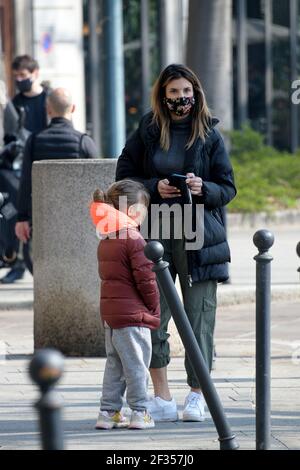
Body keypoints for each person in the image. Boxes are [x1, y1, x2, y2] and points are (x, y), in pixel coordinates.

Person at [116, 64, 237, 422]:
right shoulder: (149, 131)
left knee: (199, 316)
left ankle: (198, 395)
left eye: (186, 92)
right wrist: (155, 187)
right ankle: (162, 396)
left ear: (195, 92)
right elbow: (124, 176)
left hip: (199, 234)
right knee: (154, 314)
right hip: (158, 231)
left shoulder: (210, 134)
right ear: (163, 96)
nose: (181, 98)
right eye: (174, 93)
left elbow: (227, 187)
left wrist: (204, 189)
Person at [90, 180, 160, 430]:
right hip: (133, 316)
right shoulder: (135, 239)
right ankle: (140, 412)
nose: (145, 214)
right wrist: (154, 307)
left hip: (111, 315)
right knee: (136, 365)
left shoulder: (106, 239)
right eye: (143, 209)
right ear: (131, 211)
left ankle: (108, 413)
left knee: (115, 364)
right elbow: (146, 280)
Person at [15, 87, 97, 245]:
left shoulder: (33, 141)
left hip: (42, 217)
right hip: (78, 217)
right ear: (73, 108)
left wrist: (21, 218)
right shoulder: (84, 142)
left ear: (48, 110)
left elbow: (25, 182)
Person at [1, 55, 48, 283]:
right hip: (19, 168)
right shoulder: (16, 103)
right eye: (17, 76)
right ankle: (15, 259)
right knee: (11, 211)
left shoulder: (48, 99)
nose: (20, 80)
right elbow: (10, 134)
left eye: (23, 75)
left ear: (35, 72)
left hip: (43, 166)